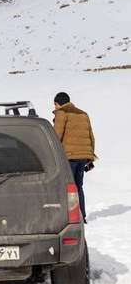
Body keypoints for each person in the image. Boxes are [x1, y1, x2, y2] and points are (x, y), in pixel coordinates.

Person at [53, 92, 96, 224]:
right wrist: (90, 156)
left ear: (58, 103)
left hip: (69, 157)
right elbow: (91, 136)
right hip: (82, 157)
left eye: (55, 104)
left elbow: (56, 136)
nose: (54, 107)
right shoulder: (83, 114)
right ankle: (81, 216)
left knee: (67, 188)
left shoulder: (62, 113)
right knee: (78, 186)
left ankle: (70, 217)